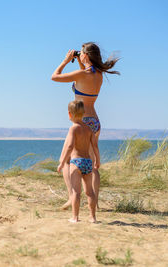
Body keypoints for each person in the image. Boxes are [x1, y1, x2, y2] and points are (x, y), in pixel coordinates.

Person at [51, 42, 120, 209]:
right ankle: (94, 203)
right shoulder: (99, 75)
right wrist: (81, 59)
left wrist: (66, 60)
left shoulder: (80, 74)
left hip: (82, 121)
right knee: (93, 163)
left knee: (67, 160)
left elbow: (54, 76)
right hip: (95, 121)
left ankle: (71, 197)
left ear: (86, 56)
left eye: (81, 53)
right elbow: (85, 74)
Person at [57, 100, 100, 223]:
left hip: (76, 162)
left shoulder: (73, 129)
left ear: (70, 114)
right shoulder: (89, 129)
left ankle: (75, 217)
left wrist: (62, 162)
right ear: (84, 112)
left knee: (76, 192)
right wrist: (97, 160)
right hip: (88, 162)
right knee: (90, 191)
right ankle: (92, 217)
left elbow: (70, 146)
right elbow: (95, 146)